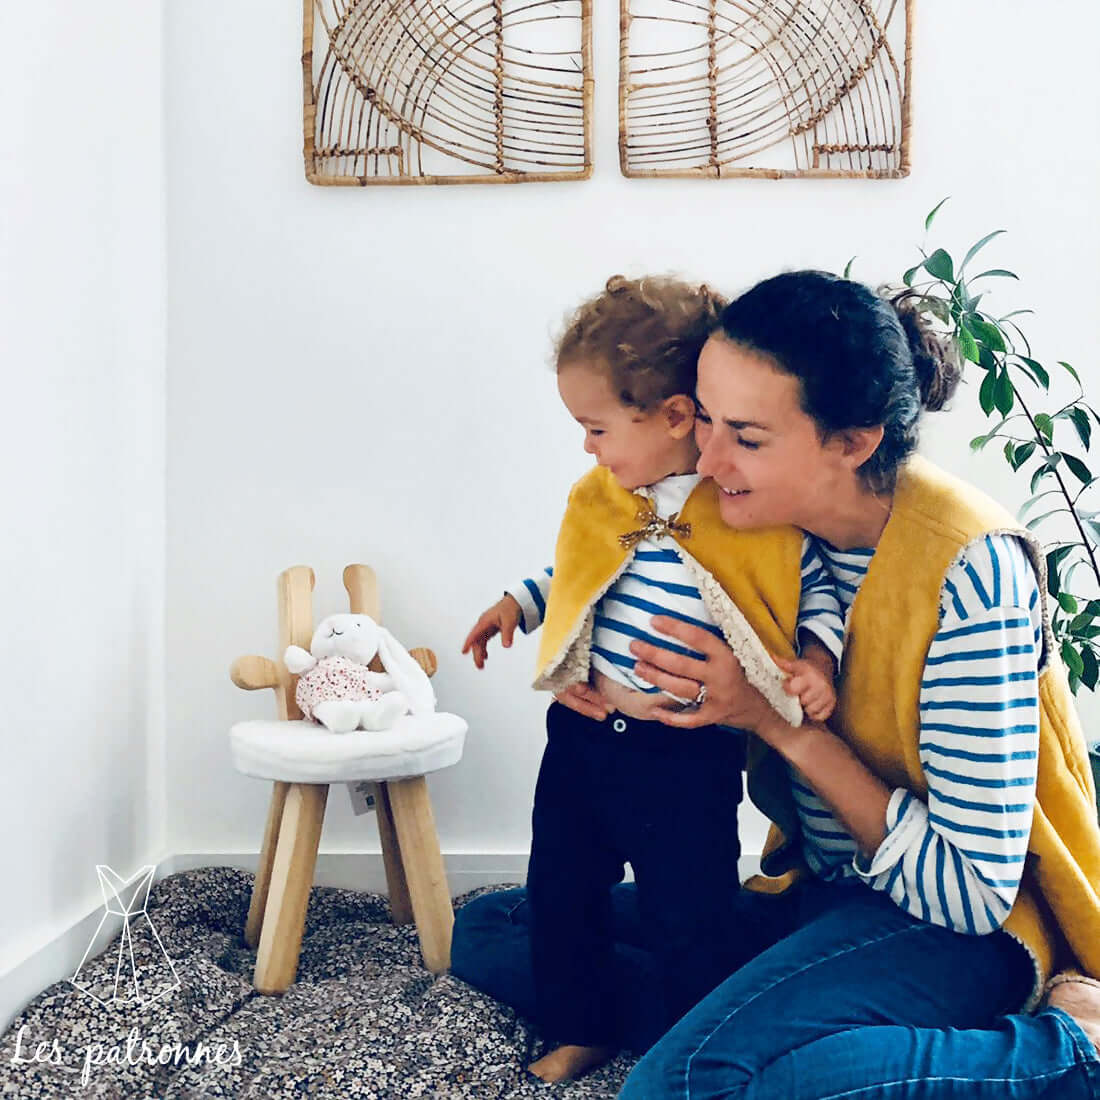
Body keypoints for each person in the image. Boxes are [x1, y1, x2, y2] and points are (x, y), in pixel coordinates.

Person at [451, 269, 1100, 1098]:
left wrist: (778, 722)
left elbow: (972, 895)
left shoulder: (970, 574)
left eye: (746, 438)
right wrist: (598, 680)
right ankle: (788, 1044)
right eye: (707, 421)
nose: (706, 459)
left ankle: (1069, 1048)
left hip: (956, 926)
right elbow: (607, 581)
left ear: (854, 442)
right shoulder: (761, 536)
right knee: (493, 930)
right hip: (822, 888)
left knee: (680, 1085)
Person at [458, 274, 845, 1083]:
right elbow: (576, 573)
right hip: (586, 738)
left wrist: (816, 660)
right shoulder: (603, 499)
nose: (587, 447)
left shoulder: (743, 507)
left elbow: (808, 589)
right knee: (560, 894)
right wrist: (517, 606)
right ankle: (582, 1024)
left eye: (596, 427)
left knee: (690, 913)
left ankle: (690, 1044)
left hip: (684, 755)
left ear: (673, 416)